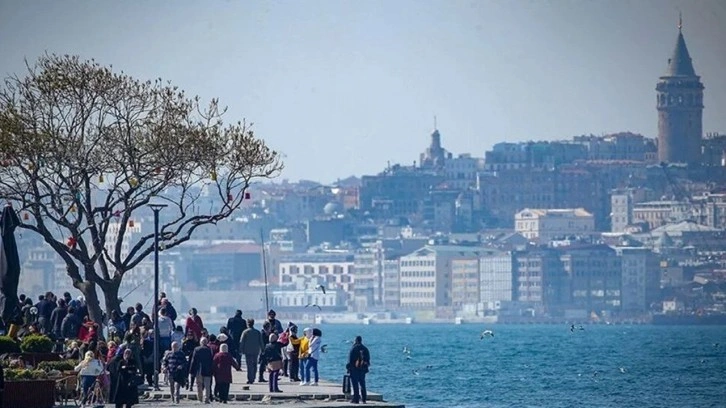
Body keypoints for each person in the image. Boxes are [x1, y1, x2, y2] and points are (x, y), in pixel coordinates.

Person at [346, 336, 370, 404]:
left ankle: (356, 399)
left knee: (355, 384)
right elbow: (368, 360)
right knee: (362, 384)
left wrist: (348, 368)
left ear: (355, 340)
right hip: (362, 370)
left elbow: (350, 360)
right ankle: (364, 399)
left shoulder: (353, 348)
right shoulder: (365, 349)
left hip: (354, 369)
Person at [239, 318, 264, 385]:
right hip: (256, 350)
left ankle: (250, 378)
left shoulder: (245, 332)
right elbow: (261, 342)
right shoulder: (257, 332)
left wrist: (240, 350)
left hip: (247, 351)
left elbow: (242, 342)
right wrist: (263, 349)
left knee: (249, 365)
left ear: (247, 324)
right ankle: (253, 377)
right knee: (254, 364)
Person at [190, 337, 214, 403]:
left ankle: (200, 398)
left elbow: (193, 361)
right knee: (207, 385)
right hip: (208, 370)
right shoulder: (209, 349)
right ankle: (206, 398)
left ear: (200, 342)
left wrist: (191, 370)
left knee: (199, 385)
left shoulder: (197, 349)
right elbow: (212, 360)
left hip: (199, 369)